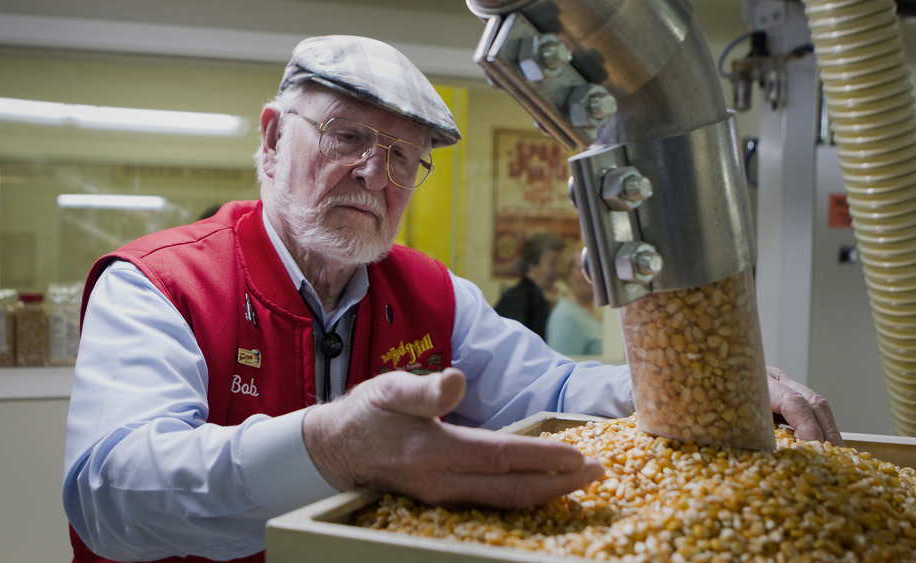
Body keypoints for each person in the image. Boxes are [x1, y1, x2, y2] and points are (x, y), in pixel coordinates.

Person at [62, 35, 843, 563]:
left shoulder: (433, 294)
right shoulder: (157, 285)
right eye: (347, 137)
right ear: (271, 139)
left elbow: (558, 388)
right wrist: (329, 446)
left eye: (404, 156)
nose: (378, 174)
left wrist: (707, 389)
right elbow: (108, 489)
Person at [494, 232, 564, 339]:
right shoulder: (520, 301)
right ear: (532, 264)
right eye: (552, 264)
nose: (557, 271)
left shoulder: (532, 297)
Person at [546, 242, 603, 356]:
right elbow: (563, 368)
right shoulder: (566, 316)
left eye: (595, 267)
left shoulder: (595, 310)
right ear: (567, 273)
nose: (591, 274)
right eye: (583, 268)